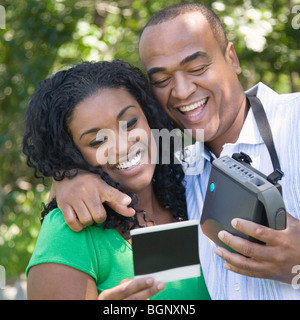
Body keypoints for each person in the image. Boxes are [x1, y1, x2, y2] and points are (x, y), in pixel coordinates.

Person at [50, 3, 300, 299]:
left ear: (231, 58)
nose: (181, 91)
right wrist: (70, 178)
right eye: (161, 80)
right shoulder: (177, 175)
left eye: (197, 68)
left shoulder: (293, 123)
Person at [23, 59, 211, 300]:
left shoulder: (190, 190)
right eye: (97, 141)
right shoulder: (71, 230)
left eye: (130, 123)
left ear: (149, 117)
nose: (122, 146)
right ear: (71, 155)